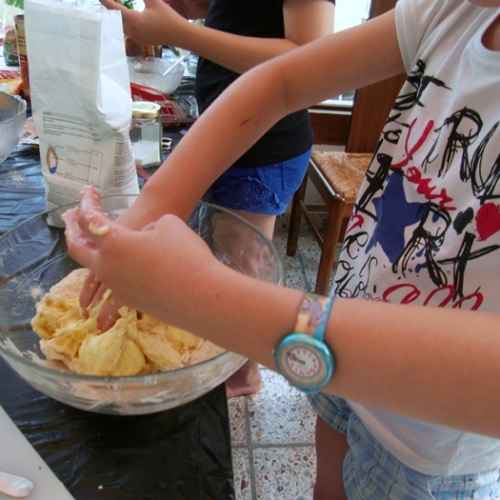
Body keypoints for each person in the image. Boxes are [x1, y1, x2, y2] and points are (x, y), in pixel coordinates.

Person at [65, 0, 500, 498]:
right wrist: (157, 203)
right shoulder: (457, 11)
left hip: (432, 451)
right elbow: (281, 82)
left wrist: (203, 297)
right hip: (345, 359)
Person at [92, 0, 335, 398]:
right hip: (233, 139)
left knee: (240, 270)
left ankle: (244, 373)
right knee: (231, 259)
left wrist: (178, 33)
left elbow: (309, 57)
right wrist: (186, 10)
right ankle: (241, 362)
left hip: (262, 148)